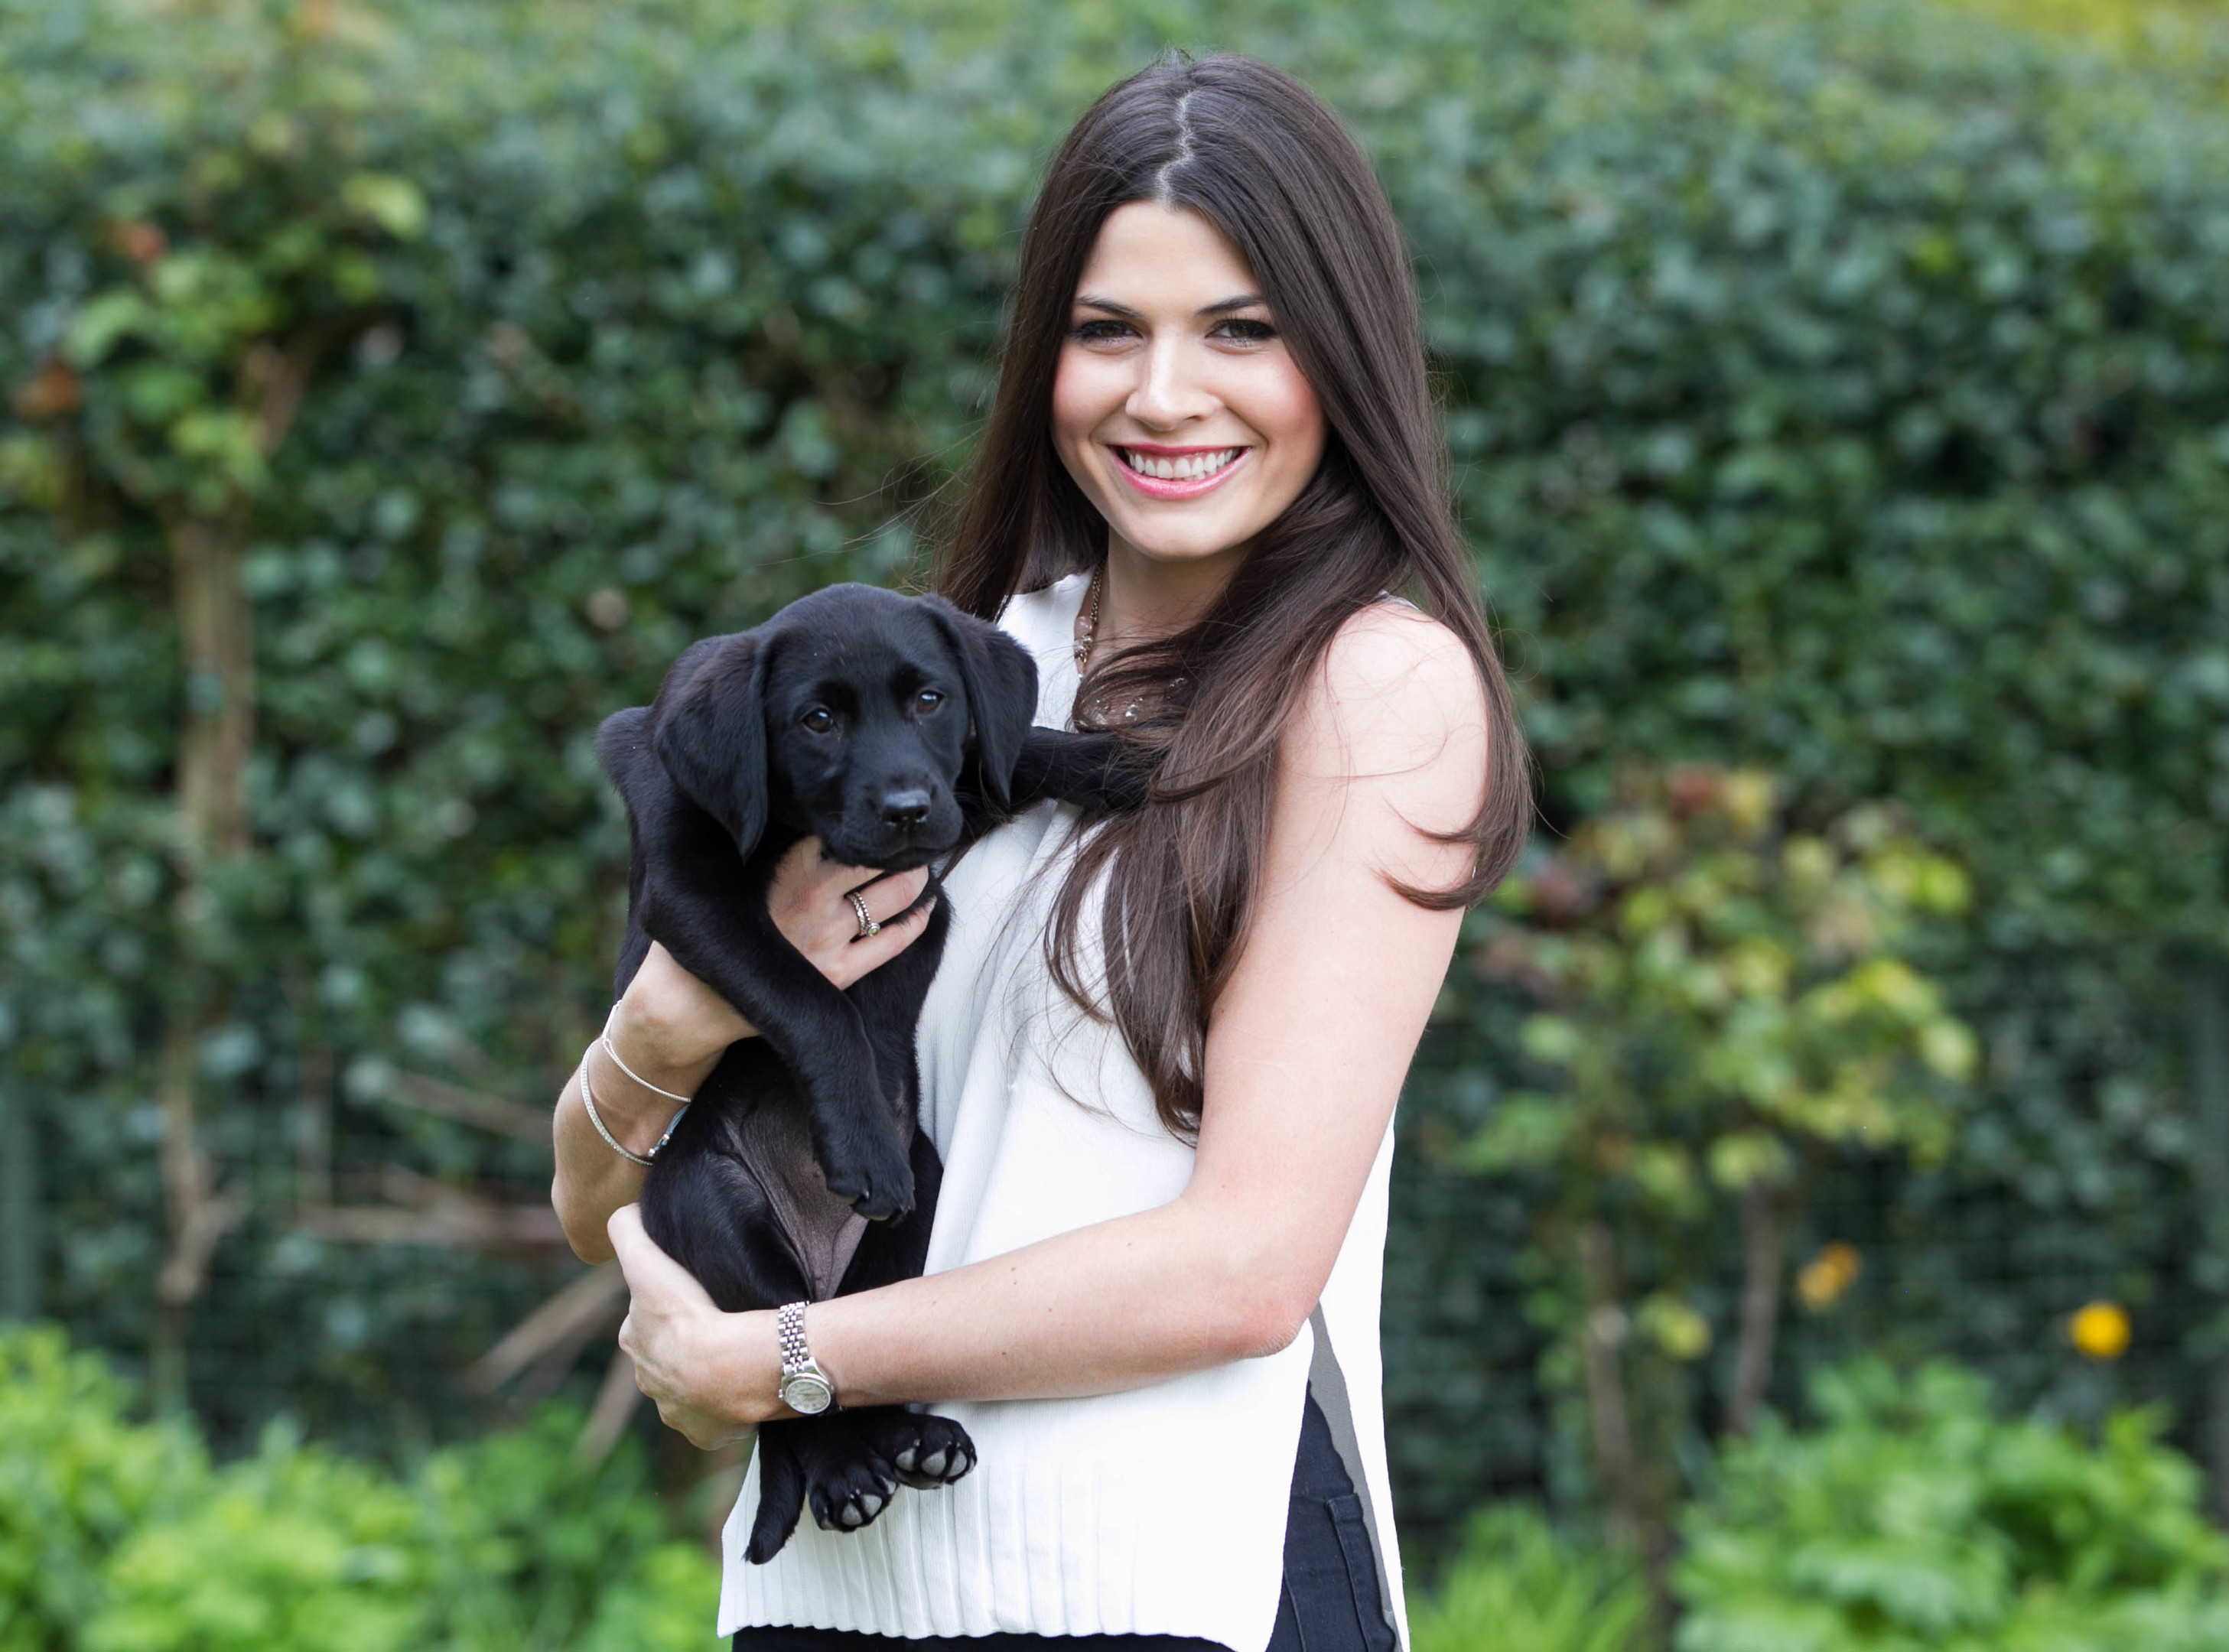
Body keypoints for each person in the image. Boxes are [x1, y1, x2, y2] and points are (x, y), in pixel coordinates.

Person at [549, 53, 1528, 1652]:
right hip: (835, 1598)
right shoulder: (951, 682)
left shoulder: (1370, 687)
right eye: (1103, 331)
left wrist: (785, 1362)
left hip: (1161, 1585)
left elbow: (1243, 1267)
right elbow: (606, 1207)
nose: (1162, 394)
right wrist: (660, 1036)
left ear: (1336, 355)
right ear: (1038, 360)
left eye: (1238, 330)